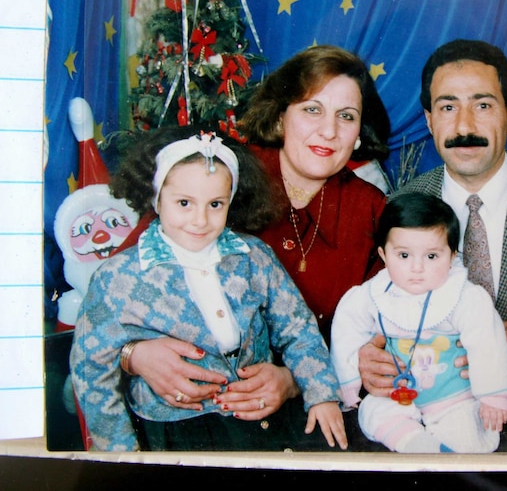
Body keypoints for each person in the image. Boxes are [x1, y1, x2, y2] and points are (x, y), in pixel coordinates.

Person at [120, 46, 390, 433]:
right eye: (312, 109)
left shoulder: (369, 209)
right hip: (187, 415)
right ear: (281, 117)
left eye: (345, 117)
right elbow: (109, 293)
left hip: (318, 413)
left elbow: (383, 333)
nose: (328, 131)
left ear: (359, 134)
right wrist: (135, 355)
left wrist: (294, 380)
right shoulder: (216, 178)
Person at [357, 39, 507, 450]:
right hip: (428, 427)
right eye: (448, 107)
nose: (464, 125)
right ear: (429, 120)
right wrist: (367, 355)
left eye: (483, 105)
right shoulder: (400, 208)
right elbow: (376, 311)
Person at [70, 129, 347, 452]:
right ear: (157, 199)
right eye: (184, 203)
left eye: (215, 204)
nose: (200, 220)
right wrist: (119, 450)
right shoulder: (118, 276)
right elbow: (91, 367)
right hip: (173, 433)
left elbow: (298, 328)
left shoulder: (253, 256)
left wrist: (321, 394)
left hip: (258, 421)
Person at [330, 193, 507, 453]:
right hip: (396, 394)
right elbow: (346, 330)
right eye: (404, 256)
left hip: (454, 397)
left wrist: (493, 396)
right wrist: (348, 383)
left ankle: (446, 454)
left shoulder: (465, 296)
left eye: (431, 257)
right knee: (373, 412)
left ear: (452, 256)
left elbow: (487, 342)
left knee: (472, 432)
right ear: (383, 254)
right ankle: (416, 444)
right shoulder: (372, 294)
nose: (417, 268)